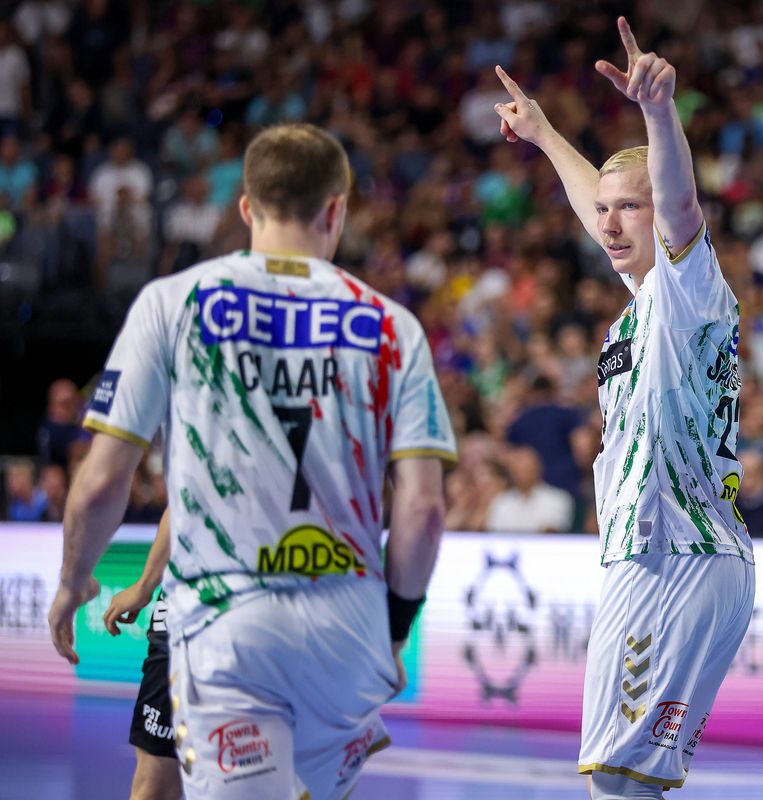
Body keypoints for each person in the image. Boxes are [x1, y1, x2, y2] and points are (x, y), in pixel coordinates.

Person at [47, 123, 458, 799]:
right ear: (337, 210)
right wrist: (393, 629)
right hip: (345, 625)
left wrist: (73, 580)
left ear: (245, 207)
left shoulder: (172, 303)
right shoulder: (392, 325)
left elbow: (100, 484)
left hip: (225, 616)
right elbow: (423, 508)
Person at [494, 18, 755, 798]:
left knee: (615, 786)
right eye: (604, 209)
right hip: (685, 558)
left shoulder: (690, 288)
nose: (608, 222)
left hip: (670, 558)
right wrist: (543, 134)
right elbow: (602, 207)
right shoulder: (642, 303)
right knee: (631, 785)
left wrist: (657, 112)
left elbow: (677, 208)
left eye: (626, 210)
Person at [102, 510, 180, 800]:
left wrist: (145, 585)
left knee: (155, 784)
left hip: (190, 608)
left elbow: (184, 497)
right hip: (307, 601)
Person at [485, 446, 574, 532]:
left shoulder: (558, 499)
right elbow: (495, 533)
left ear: (538, 469)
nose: (521, 474)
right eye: (517, 470)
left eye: (525, 469)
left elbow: (551, 532)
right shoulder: (502, 501)